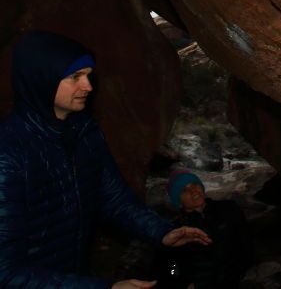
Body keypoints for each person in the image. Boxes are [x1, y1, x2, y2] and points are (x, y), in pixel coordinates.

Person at [0, 31, 211, 289]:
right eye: (75, 77)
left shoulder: (84, 133)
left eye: (88, 75)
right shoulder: (9, 152)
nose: (88, 86)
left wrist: (162, 231)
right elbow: (6, 272)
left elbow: (114, 199)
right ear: (41, 79)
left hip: (72, 276)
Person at [157, 169, 253, 289]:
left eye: (194, 185)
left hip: (236, 279)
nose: (193, 191)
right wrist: (182, 283)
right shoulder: (176, 229)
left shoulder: (229, 209)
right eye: (184, 190)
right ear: (179, 201)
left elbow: (246, 244)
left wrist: (241, 272)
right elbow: (171, 264)